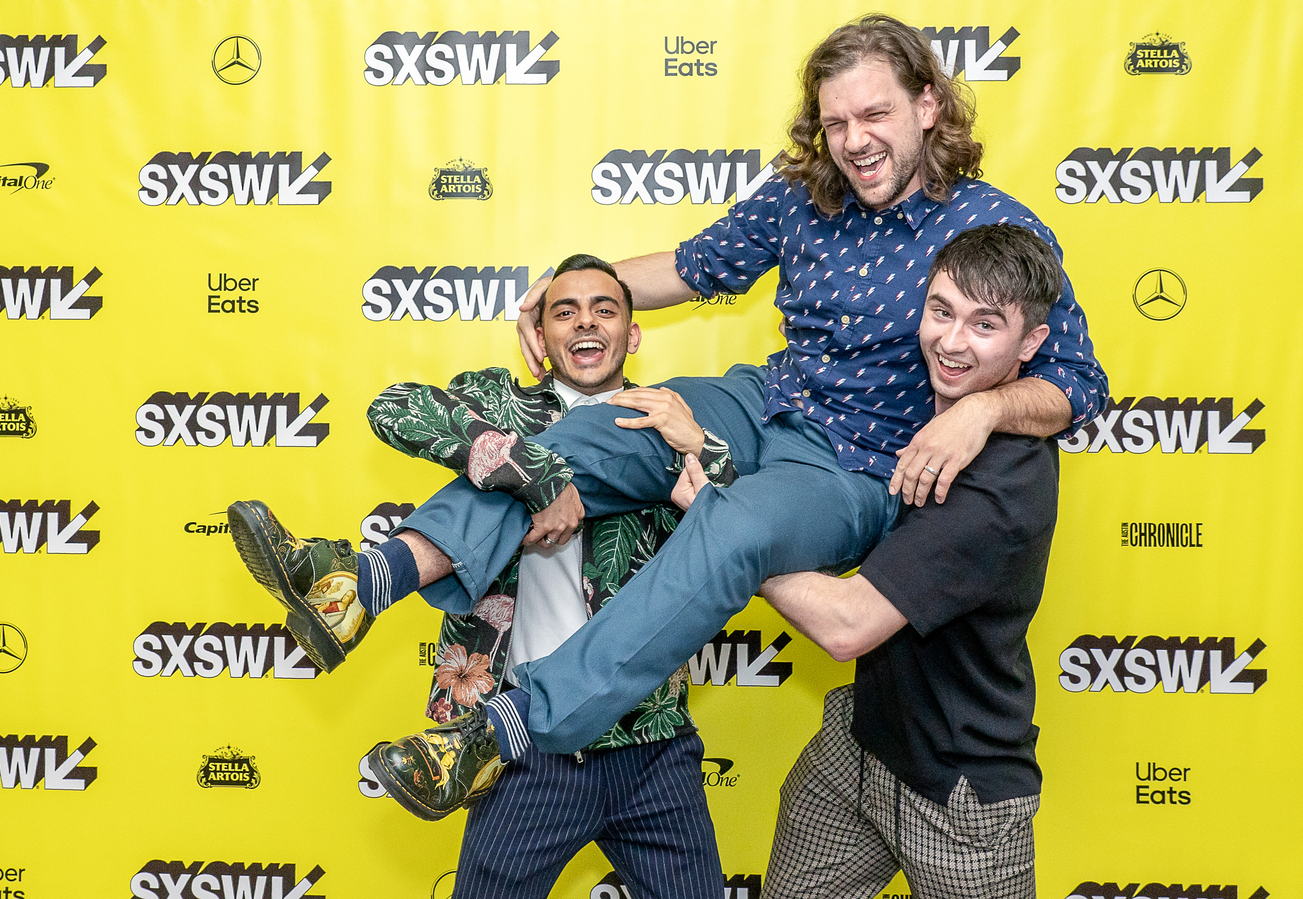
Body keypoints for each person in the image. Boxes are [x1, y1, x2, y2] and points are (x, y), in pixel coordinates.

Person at [262, 13, 1107, 818]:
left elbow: (1079, 381)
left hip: (851, 466)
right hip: (762, 399)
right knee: (594, 430)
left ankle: (505, 729)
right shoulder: (805, 194)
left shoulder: (994, 227)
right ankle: (363, 582)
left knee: (731, 528)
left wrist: (983, 408)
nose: (854, 140)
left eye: (874, 114)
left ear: (928, 105)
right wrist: (564, 284)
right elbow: (690, 266)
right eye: (835, 122)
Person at [231, 255, 730, 899]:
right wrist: (535, 476)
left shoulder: (668, 422)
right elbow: (394, 408)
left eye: (604, 310)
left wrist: (701, 447)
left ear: (632, 334)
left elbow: (747, 533)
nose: (586, 323)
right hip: (518, 744)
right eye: (565, 312)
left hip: (649, 742)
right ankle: (361, 583)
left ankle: (365, 581)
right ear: (539, 336)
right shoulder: (503, 403)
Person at [673, 223, 1061, 898]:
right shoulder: (902, 404)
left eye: (984, 324)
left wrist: (721, 521)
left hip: (958, 787)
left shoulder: (1001, 487)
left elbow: (847, 624)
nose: (952, 341)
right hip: (860, 740)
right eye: (941, 311)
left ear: (1030, 344)